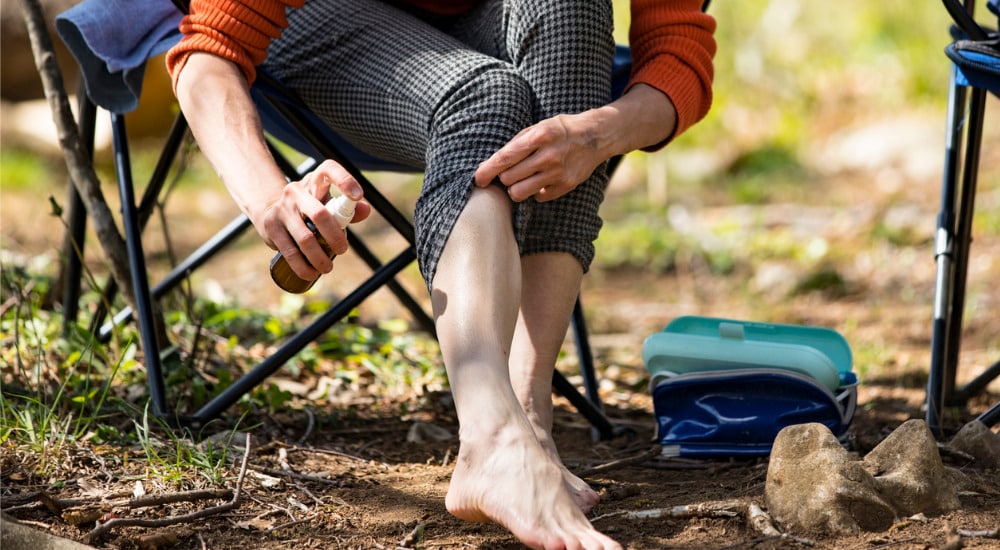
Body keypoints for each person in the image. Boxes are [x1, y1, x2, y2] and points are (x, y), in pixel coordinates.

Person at [165, 1, 715, 548]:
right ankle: (492, 438)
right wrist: (269, 198)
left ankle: (526, 416)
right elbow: (210, 57)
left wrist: (595, 135)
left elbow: (677, 54)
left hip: (493, 24)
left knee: (571, 9)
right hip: (309, 24)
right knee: (483, 96)